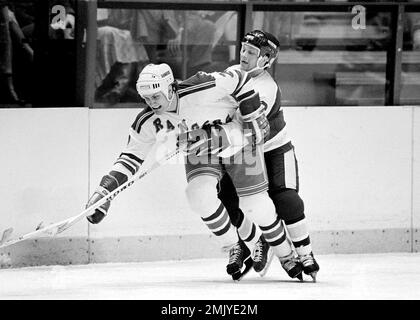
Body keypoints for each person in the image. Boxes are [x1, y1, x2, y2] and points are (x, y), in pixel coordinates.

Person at [84, 62, 303, 281]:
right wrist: (105, 192)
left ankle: (286, 254)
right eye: (147, 99)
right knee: (197, 195)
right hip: (200, 144)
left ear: (170, 88)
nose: (151, 104)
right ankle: (234, 245)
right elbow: (129, 158)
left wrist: (252, 115)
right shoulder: (148, 121)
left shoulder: (201, 86)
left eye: (156, 97)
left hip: (234, 137)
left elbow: (241, 78)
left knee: (257, 206)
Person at [218, 30, 320, 281]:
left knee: (286, 199)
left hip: (274, 149)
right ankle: (249, 242)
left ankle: (304, 252)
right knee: (228, 199)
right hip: (244, 152)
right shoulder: (231, 74)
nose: (243, 55)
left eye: (251, 53)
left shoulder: (266, 87)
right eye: (243, 48)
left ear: (265, 59)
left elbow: (247, 122)